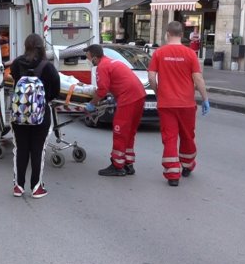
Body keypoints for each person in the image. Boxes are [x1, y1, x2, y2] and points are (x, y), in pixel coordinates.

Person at [148, 21, 210, 187]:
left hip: (166, 104)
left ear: (167, 33)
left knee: (169, 138)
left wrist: (157, 92)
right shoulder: (190, 54)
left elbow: (151, 78)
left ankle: (172, 174)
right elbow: (198, 79)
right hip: (187, 104)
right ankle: (188, 165)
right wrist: (205, 99)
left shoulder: (159, 53)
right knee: (188, 136)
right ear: (182, 35)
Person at [9, 33, 60, 199]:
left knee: (20, 149)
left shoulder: (16, 63)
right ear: (41, 47)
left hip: (19, 116)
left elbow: (14, 80)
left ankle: (18, 186)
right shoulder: (48, 66)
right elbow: (56, 91)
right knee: (38, 150)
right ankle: (36, 187)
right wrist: (44, 101)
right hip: (41, 116)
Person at [84, 44, 145, 176]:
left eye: (88, 58)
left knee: (120, 131)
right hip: (139, 95)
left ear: (94, 57)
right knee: (129, 131)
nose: (88, 61)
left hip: (128, 98)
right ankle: (128, 163)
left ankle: (117, 166)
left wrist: (92, 104)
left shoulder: (102, 67)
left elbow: (102, 90)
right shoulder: (112, 61)